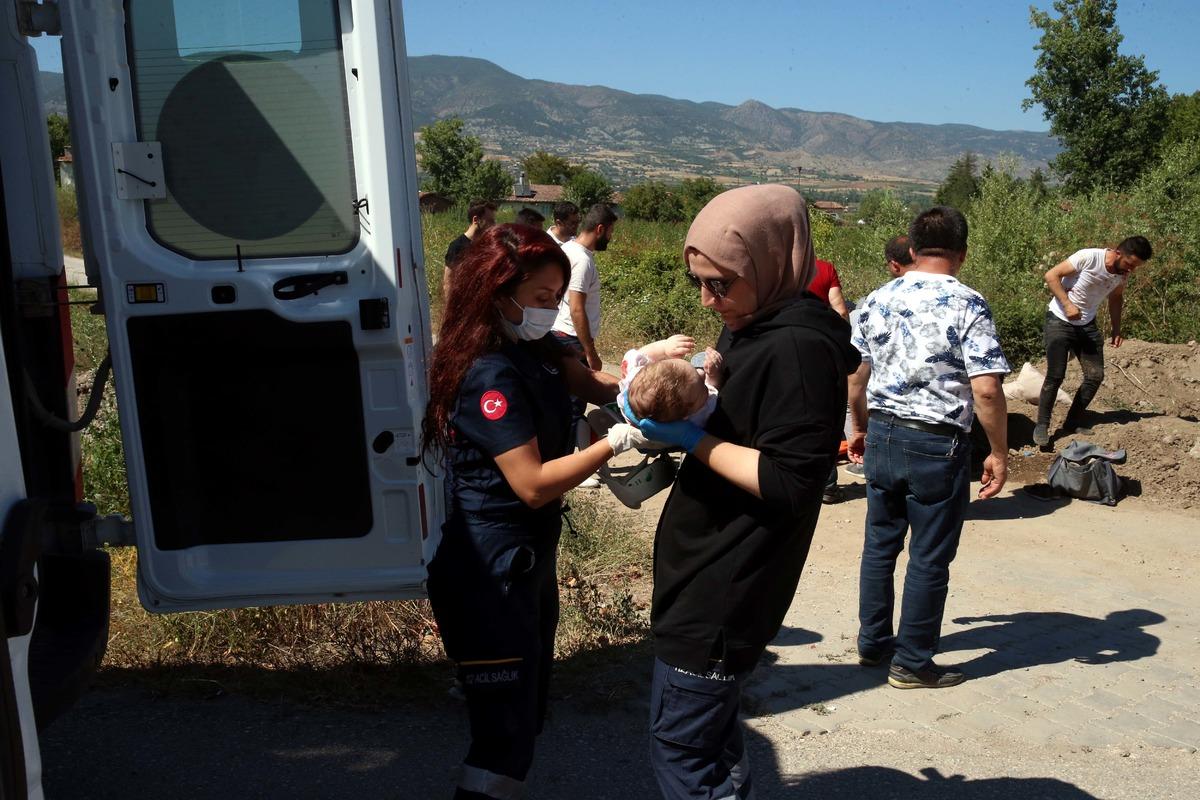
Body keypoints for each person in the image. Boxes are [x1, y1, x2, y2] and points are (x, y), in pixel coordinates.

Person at [624, 185, 858, 799]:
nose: (708, 299)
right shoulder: (759, 327)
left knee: (685, 754)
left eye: (721, 284)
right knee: (712, 750)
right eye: (699, 282)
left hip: (723, 588)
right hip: (706, 575)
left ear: (771, 261)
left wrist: (687, 439)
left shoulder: (798, 347)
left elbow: (790, 481)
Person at [422, 224, 644, 800]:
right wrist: (611, 444)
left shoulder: (539, 350)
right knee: (503, 731)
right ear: (499, 292)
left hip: (527, 558)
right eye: (542, 298)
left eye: (556, 296)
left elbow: (599, 387)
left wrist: (665, 377)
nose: (551, 309)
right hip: (489, 568)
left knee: (525, 712)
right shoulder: (488, 372)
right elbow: (534, 485)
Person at [847, 206, 1010, 690]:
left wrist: (858, 426)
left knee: (880, 543)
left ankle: (874, 643)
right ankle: (913, 661)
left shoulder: (875, 299)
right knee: (929, 556)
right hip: (936, 442)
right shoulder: (968, 304)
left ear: (912, 250)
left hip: (883, 433)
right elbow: (985, 389)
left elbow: (856, 375)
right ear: (962, 253)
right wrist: (999, 452)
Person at [1032, 237, 1152, 446]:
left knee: (1095, 375)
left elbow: (1116, 298)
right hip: (1059, 319)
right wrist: (1068, 304)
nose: (1131, 270)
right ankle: (1042, 425)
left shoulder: (1122, 275)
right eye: (1130, 264)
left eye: (1136, 267)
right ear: (1118, 253)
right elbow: (1051, 275)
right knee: (1056, 374)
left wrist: (1116, 329)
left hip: (1086, 324)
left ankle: (1072, 421)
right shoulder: (1088, 257)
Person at [551, 203, 618, 372]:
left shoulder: (567, 248)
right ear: (600, 229)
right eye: (611, 231)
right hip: (572, 339)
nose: (611, 237)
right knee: (576, 396)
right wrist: (590, 353)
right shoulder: (582, 261)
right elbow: (576, 308)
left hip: (559, 333)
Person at [809, 257, 851, 503]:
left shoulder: (774, 266)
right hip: (821, 352)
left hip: (782, 348)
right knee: (824, 418)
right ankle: (828, 486)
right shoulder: (824, 268)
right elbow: (841, 310)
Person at [618, 335, 723, 424]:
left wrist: (664, 348)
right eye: (702, 386)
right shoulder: (696, 418)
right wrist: (713, 376)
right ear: (688, 412)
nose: (701, 372)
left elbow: (638, 355)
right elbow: (712, 389)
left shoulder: (634, 378)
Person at [443, 200, 498, 294]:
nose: (494, 225)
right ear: (476, 220)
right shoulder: (457, 246)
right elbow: (448, 282)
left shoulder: (489, 245)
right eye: (490, 221)